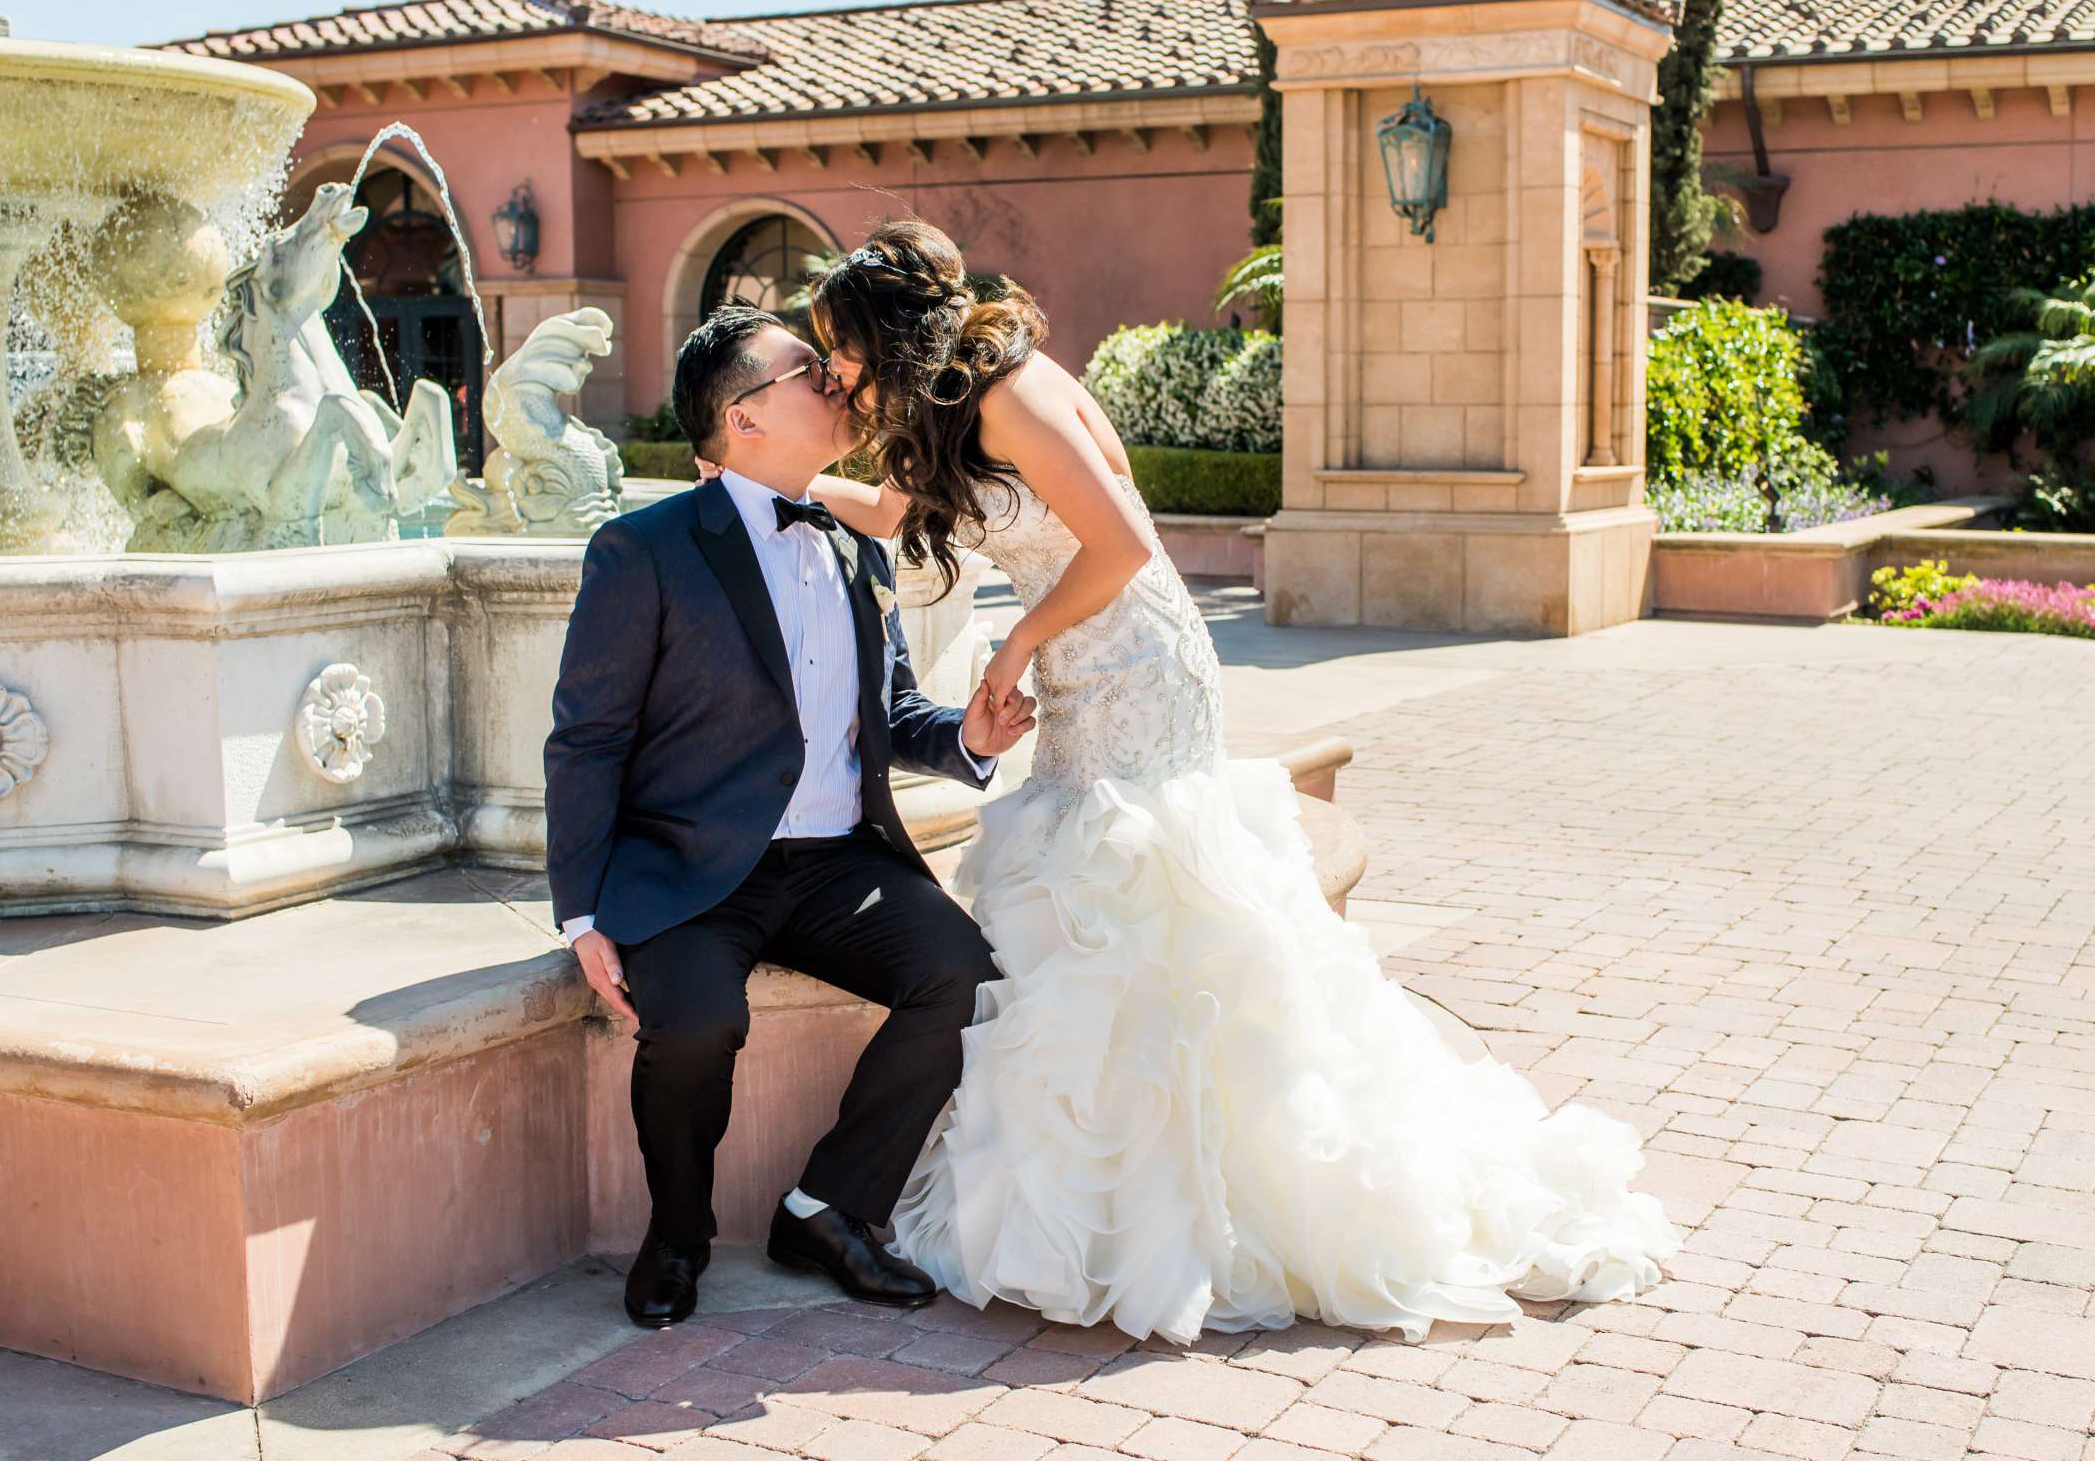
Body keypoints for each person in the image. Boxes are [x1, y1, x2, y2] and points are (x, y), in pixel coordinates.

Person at [791, 220, 1680, 1345]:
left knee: (1144, 892)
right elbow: (907, 516)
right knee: (1099, 899)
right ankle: (1117, 1191)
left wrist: (1014, 650)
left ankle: (1211, 1201)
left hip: (1137, 665)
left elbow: (1118, 545)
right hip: (1083, 661)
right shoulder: (955, 407)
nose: (839, 376)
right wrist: (781, 476)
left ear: (888, 336)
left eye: (844, 352)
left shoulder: (1009, 388)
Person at [544, 300, 1036, 1328]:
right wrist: (582, 914)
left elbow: (891, 714)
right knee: (693, 1024)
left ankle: (828, 1206)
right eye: (809, 371)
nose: (837, 382)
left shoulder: (854, 544)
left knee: (964, 975)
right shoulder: (642, 549)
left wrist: (971, 740)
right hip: (689, 868)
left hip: (836, 863)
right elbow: (586, 738)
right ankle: (677, 1232)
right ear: (744, 416)